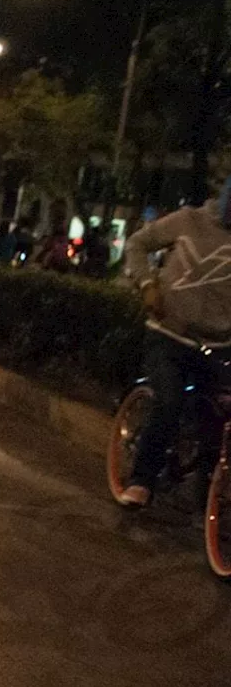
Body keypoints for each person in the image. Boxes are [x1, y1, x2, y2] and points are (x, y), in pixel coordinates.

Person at [117, 177, 231, 507]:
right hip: (169, 334)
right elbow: (137, 244)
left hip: (218, 344)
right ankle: (141, 480)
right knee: (168, 402)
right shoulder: (188, 220)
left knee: (218, 420)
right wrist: (148, 284)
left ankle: (207, 499)